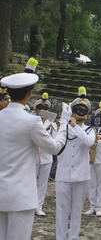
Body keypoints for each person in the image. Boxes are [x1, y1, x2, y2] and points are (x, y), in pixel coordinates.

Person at [0, 58, 67, 240]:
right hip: (21, 196)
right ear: (29, 94)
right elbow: (53, 148)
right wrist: (63, 127)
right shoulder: (31, 121)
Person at [56, 86, 96, 240]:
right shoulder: (64, 128)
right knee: (61, 210)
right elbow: (55, 144)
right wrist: (66, 123)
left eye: (83, 111)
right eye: (77, 110)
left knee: (76, 210)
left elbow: (88, 142)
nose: (80, 114)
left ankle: (73, 237)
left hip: (81, 175)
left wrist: (74, 125)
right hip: (63, 174)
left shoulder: (89, 130)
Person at [33, 92, 57, 216]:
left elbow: (55, 139)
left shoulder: (52, 124)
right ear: (36, 110)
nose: (43, 111)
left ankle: (39, 206)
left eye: (45, 109)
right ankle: (30, 204)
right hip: (34, 156)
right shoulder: (32, 121)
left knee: (43, 183)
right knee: (32, 182)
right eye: (41, 109)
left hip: (46, 156)